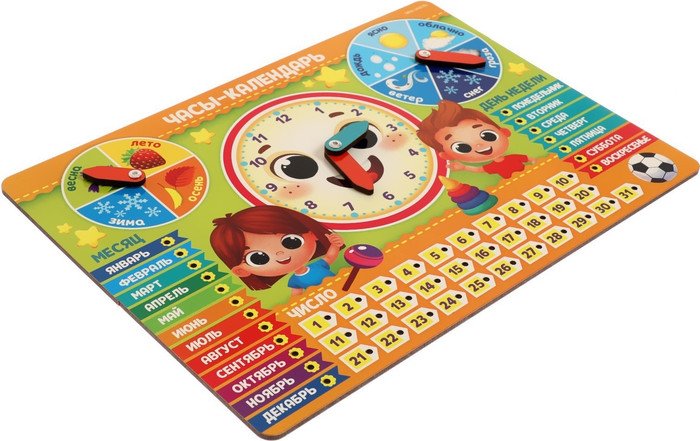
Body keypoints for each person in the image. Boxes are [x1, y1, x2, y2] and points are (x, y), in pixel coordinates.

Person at [210, 206, 344, 295]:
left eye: (291, 241)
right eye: (258, 258)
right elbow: (296, 297)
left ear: (312, 234)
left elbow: (330, 257)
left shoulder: (317, 265)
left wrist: (335, 245)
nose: (280, 254)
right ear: (241, 271)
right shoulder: (294, 281)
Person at [417, 100, 535, 178]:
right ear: (447, 155)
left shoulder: (512, 157)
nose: (479, 145)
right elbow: (479, 170)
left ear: (504, 132)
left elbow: (528, 158)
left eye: (488, 135)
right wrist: (464, 167)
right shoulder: (492, 167)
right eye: (462, 147)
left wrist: (534, 162)